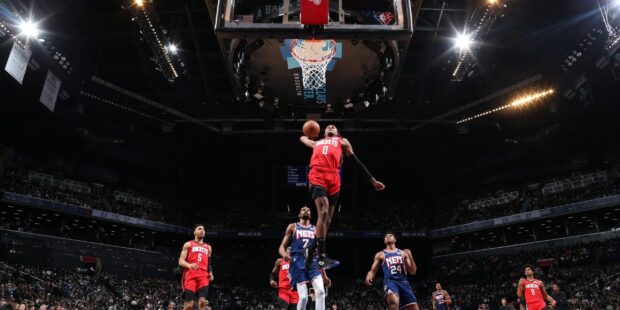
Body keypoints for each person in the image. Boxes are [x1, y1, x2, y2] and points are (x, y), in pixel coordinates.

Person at [300, 124, 385, 268]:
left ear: (337, 132)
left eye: (333, 127)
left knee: (327, 222)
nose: (331, 127)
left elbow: (356, 162)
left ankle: (311, 249)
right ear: (324, 132)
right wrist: (308, 133)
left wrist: (372, 180)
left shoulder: (342, 141)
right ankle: (321, 258)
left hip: (334, 178)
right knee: (324, 212)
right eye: (327, 127)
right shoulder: (317, 143)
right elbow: (302, 138)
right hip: (317, 174)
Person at [278, 207, 331, 310]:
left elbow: (320, 253)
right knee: (303, 298)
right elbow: (281, 247)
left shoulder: (316, 229)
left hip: (313, 261)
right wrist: (284, 254)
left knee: (320, 291)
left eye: (308, 210)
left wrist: (325, 275)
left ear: (310, 215)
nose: (306, 210)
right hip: (297, 262)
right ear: (299, 214)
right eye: (303, 209)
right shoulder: (293, 227)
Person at [365, 232, 419, 310]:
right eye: (386, 236)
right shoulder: (380, 254)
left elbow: (413, 271)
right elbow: (372, 271)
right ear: (384, 241)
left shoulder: (403, 253)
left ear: (395, 240)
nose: (388, 236)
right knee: (393, 302)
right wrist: (369, 275)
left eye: (390, 235)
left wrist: (410, 256)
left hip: (403, 282)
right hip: (390, 282)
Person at [178, 224, 214, 310]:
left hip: (204, 276)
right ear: (194, 232)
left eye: (204, 229)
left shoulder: (208, 247)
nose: (202, 231)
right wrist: (189, 265)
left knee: (202, 303)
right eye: (200, 229)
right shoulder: (188, 244)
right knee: (189, 305)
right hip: (191, 274)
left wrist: (211, 272)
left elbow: (209, 263)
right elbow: (180, 261)